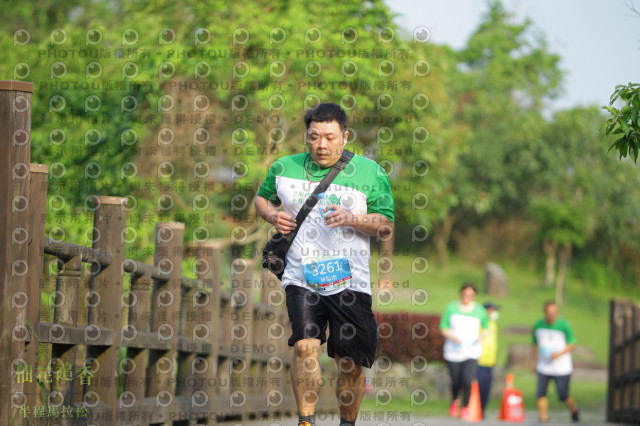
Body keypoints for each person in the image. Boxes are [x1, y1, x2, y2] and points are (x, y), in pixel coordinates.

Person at [254, 103, 395, 426]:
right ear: (306, 136)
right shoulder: (284, 167)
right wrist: (273, 215)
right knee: (305, 346)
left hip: (350, 281)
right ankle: (306, 421)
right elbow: (261, 199)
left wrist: (354, 219)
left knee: (350, 362)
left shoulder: (370, 173)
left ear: (344, 137)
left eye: (330, 137)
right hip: (301, 276)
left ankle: (347, 423)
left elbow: (385, 224)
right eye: (314, 137)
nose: (322, 144)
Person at [439, 283, 489, 420]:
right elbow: (443, 327)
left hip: (471, 351)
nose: (467, 297)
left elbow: (486, 327)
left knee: (467, 380)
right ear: (461, 294)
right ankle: (455, 400)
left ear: (474, 296)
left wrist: (481, 337)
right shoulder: (451, 307)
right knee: (455, 380)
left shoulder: (479, 310)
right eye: (465, 294)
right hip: (453, 351)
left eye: (470, 295)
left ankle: (466, 406)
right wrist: (452, 337)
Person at [531, 300, 580, 423]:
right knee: (540, 393)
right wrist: (533, 361)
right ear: (545, 312)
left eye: (554, 313)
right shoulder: (538, 325)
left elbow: (573, 343)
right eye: (549, 313)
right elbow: (534, 344)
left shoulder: (564, 325)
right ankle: (543, 416)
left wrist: (559, 353)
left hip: (561, 367)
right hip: (544, 365)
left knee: (563, 395)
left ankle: (574, 408)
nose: (551, 315)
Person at [477, 302, 499, 418]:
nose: (494, 313)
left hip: (489, 362)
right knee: (478, 388)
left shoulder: (493, 324)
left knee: (486, 388)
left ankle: (482, 411)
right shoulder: (479, 322)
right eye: (492, 310)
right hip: (479, 361)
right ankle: (473, 410)